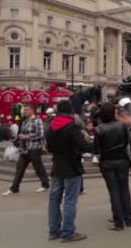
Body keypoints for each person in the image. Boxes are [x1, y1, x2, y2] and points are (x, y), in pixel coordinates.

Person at [45, 100, 92, 243]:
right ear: (71, 110)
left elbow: (48, 148)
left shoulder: (50, 127)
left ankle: (54, 231)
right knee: (70, 201)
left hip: (57, 166)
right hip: (72, 166)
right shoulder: (72, 127)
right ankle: (68, 233)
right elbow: (83, 146)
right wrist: (92, 144)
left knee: (54, 200)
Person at [93, 102, 131, 231]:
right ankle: (128, 218)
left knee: (114, 191)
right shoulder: (122, 126)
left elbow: (97, 149)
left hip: (107, 161)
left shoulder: (99, 129)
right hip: (122, 159)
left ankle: (118, 222)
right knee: (124, 189)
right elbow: (127, 141)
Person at [2, 104, 50, 196]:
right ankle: (14, 188)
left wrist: (26, 136)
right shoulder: (24, 121)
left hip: (34, 148)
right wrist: (19, 138)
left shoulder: (37, 120)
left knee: (38, 167)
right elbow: (21, 133)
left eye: (27, 110)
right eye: (24, 110)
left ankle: (45, 185)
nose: (24, 112)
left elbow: (40, 134)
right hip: (24, 149)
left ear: (32, 111)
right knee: (19, 168)